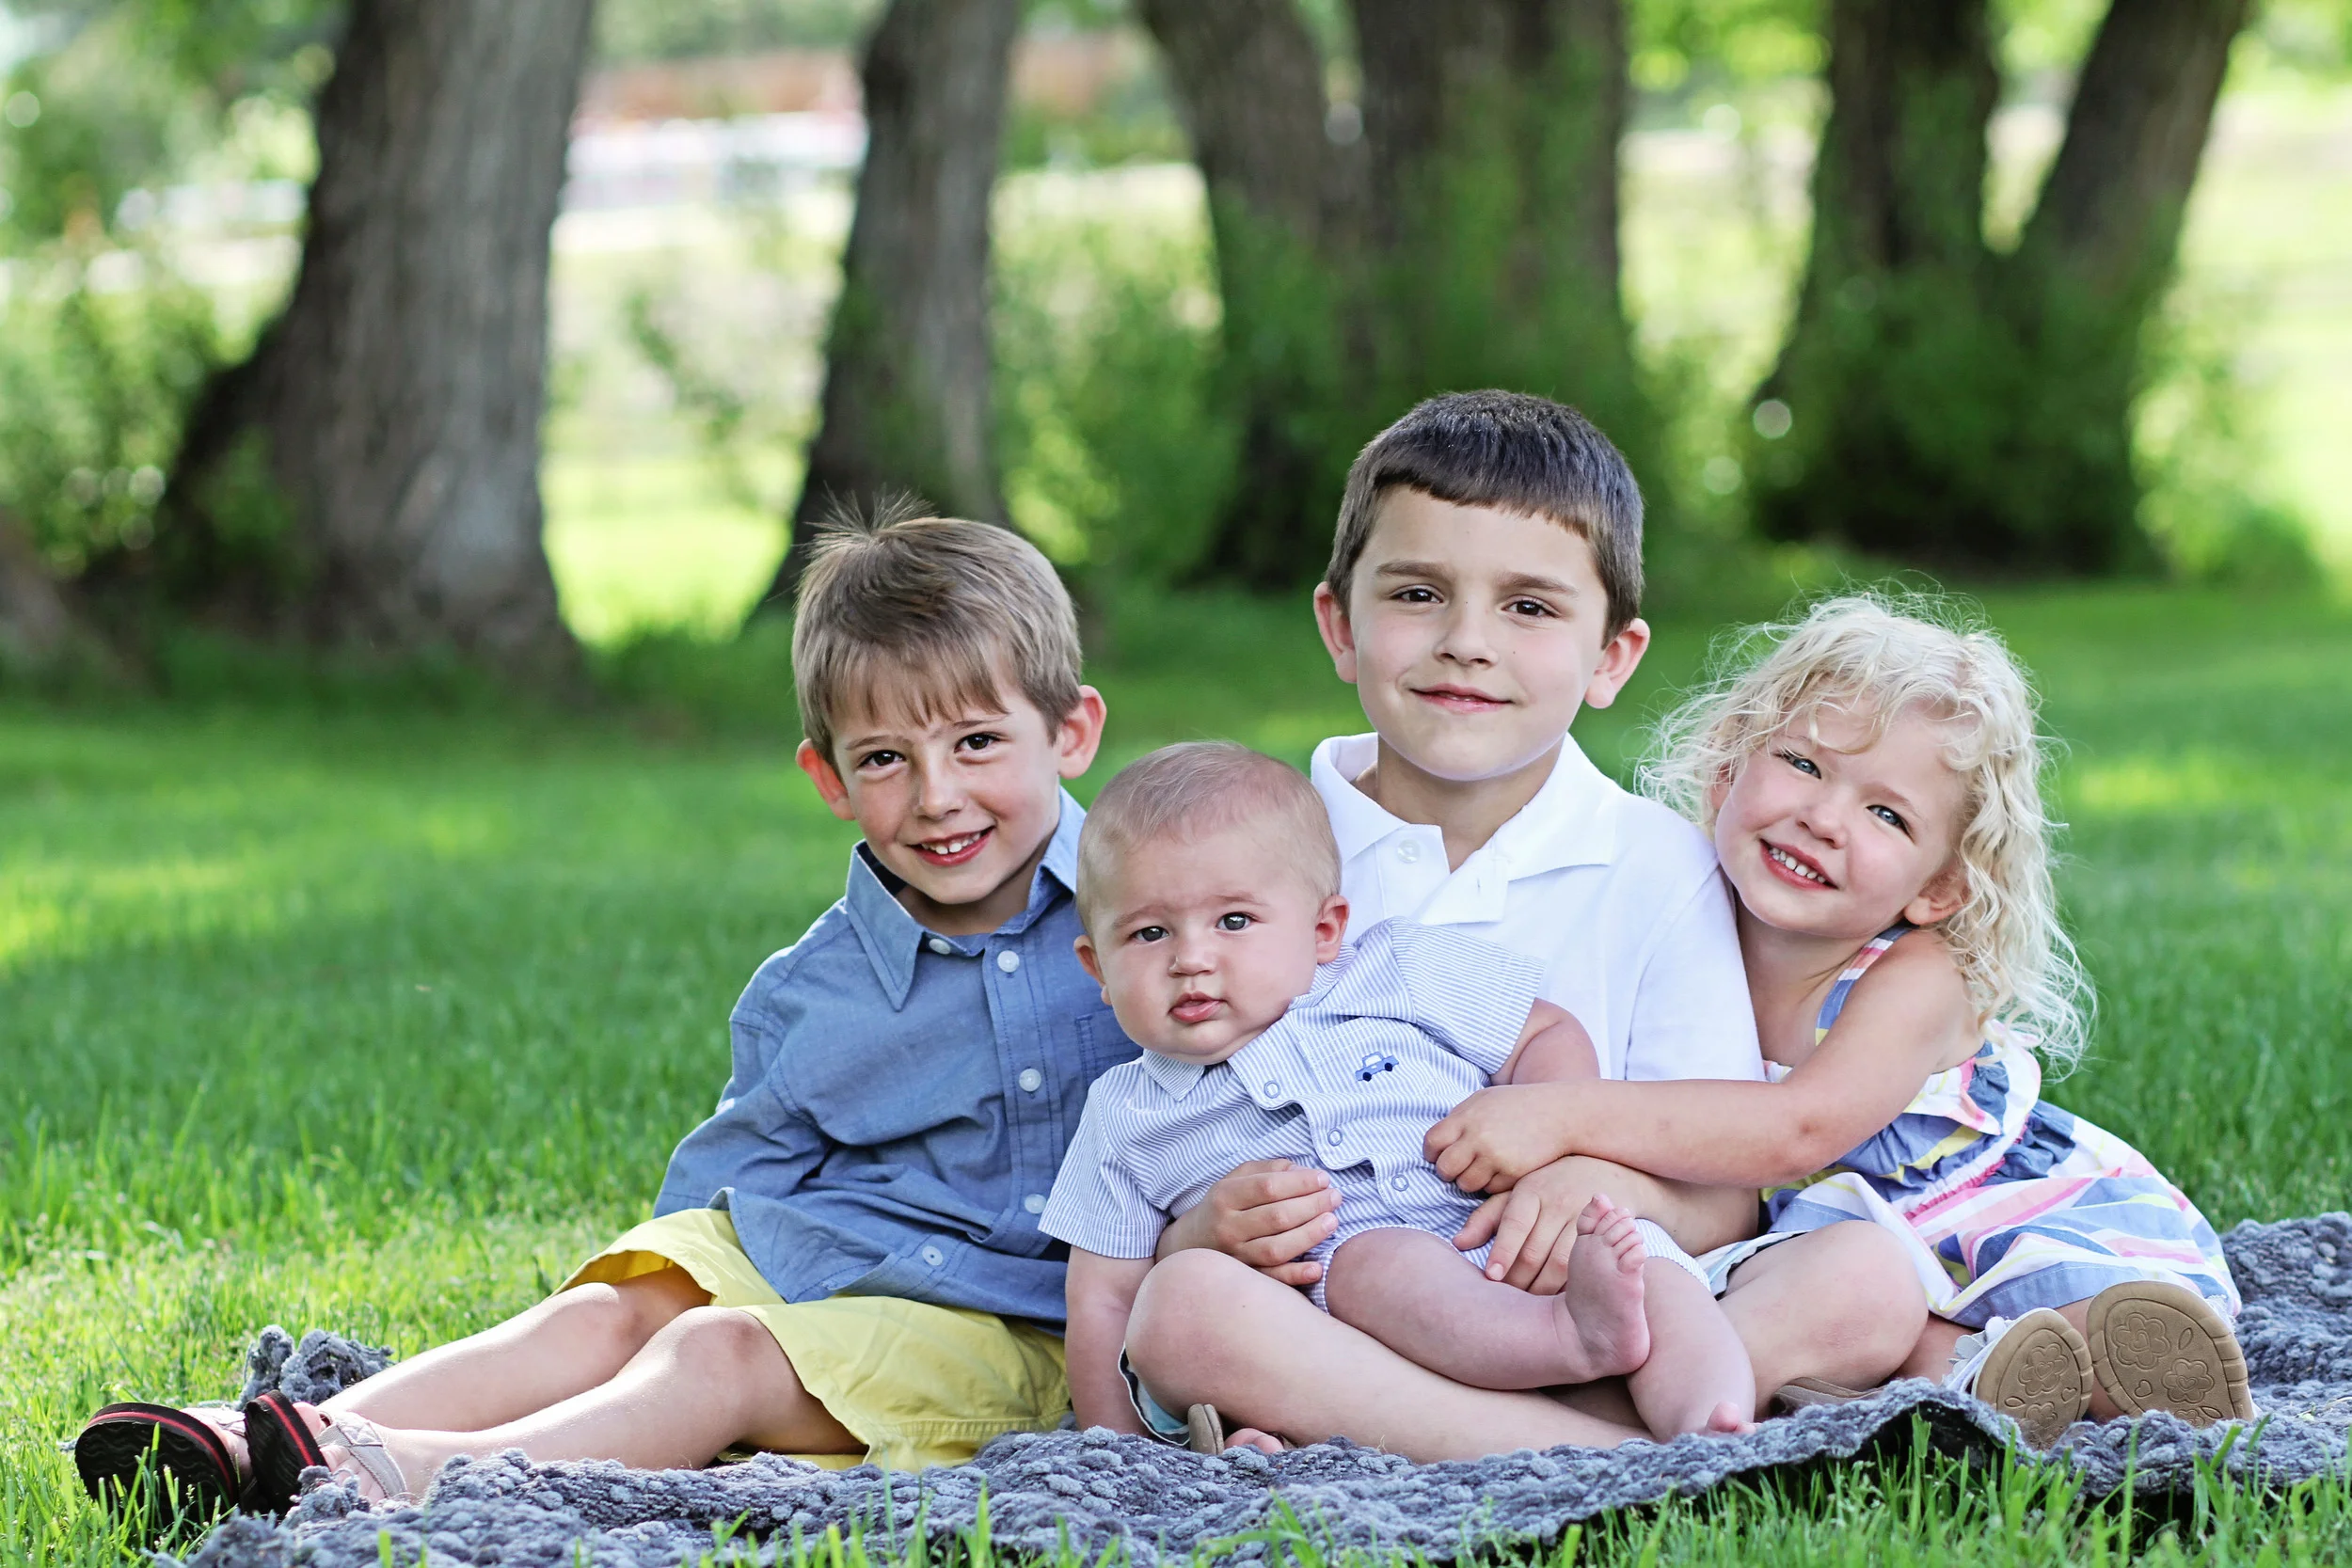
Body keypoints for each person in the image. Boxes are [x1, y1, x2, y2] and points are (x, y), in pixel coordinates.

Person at [73, 512, 1133, 1535]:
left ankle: (423, 1472)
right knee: (628, 1300)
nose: (938, 794)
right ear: (830, 779)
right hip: (836, 1249)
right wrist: (651, 1298)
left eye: (978, 741)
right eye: (887, 759)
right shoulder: (814, 984)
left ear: (1071, 730)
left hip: (1020, 1326)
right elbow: (732, 1182)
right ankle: (303, 1433)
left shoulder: (1155, 918)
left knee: (716, 1351)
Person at [1125, 391, 1931, 1459]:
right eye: (1417, 592)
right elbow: (1147, 1132)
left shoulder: (1659, 866)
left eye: (1530, 608)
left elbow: (1725, 1205)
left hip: (1582, 1291)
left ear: (1611, 656)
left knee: (1868, 1273)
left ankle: (1432, 1435)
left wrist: (1597, 1183)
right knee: (1185, 1308)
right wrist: (1207, 1225)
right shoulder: (1245, 849)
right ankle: (1606, 1453)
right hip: (1339, 1295)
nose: (1467, 643)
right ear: (1338, 623)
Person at [1422, 595, 2253, 1449]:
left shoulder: (1920, 976)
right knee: (1874, 1303)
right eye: (1803, 764)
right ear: (1727, 768)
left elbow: (1797, 1129)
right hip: (1823, 1254)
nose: (1823, 818)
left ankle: (2091, 1369)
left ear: (1938, 888)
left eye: (1886, 814)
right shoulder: (1674, 911)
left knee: (2065, 1313)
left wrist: (1560, 1115)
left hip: (1980, 1211)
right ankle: (1962, 1382)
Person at [1042, 742, 1756, 1448]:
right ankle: (1571, 1347)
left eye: (1233, 921)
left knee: (1645, 1259)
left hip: (1507, 1226)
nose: (1190, 958)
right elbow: (1104, 1297)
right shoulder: (1124, 1113)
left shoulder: (1397, 968)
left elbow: (1543, 1029)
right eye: (1149, 932)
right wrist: (1116, 1451)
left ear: (1325, 930)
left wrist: (1549, 1134)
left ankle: (1717, 1424)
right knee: (1377, 1265)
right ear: (1096, 966)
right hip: (1371, 1328)